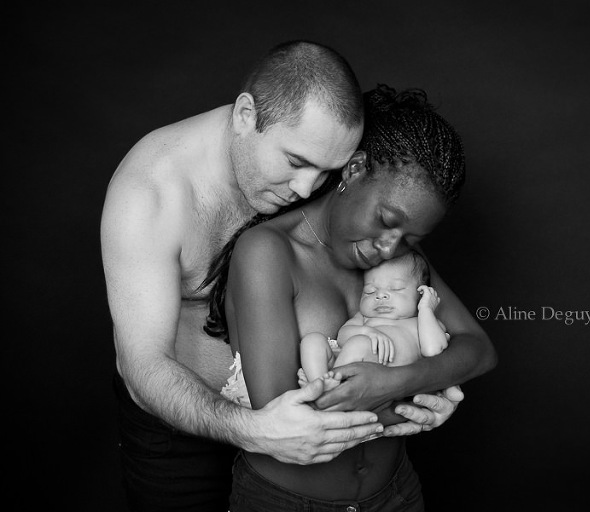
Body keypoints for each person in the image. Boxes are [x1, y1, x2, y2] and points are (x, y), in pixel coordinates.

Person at [101, 41, 461, 512]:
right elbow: (140, 365)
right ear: (247, 114)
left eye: (327, 172)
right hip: (187, 426)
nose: (307, 189)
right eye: (294, 164)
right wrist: (254, 429)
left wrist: (427, 385)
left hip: (310, 422)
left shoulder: (326, 149)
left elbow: (403, 276)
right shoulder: (151, 193)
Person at [203, 84, 497, 511]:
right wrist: (424, 398)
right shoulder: (268, 253)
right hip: (288, 502)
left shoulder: (395, 259)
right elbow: (291, 417)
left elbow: (480, 350)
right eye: (386, 221)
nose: (389, 247)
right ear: (355, 169)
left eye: (410, 238)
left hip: (395, 495)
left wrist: (398, 381)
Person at [299, 251, 449, 389]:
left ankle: (332, 391)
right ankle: (318, 385)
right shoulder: (364, 317)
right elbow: (342, 336)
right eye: (370, 291)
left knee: (359, 344)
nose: (380, 295)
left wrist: (426, 310)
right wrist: (366, 331)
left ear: (421, 297)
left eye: (396, 288)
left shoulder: (423, 323)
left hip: (378, 378)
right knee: (312, 340)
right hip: (340, 363)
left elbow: (432, 351)